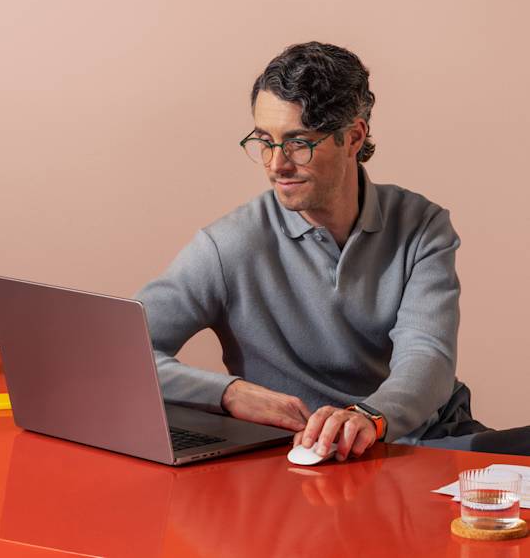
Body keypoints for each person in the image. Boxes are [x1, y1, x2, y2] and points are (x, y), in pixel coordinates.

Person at [136, 42, 529, 460]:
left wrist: (370, 416)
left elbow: (427, 356)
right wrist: (227, 393)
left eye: (298, 142)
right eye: (264, 141)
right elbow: (123, 358)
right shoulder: (226, 246)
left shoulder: (421, 225)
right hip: (324, 459)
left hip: (431, 440)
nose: (276, 164)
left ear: (353, 137)